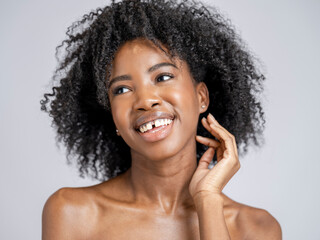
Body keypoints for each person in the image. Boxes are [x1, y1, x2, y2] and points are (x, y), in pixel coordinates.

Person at [40, 0, 282, 239]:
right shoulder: (72, 212)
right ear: (113, 118)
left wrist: (207, 199)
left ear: (201, 97)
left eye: (163, 77)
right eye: (122, 89)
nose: (145, 100)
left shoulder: (256, 229)